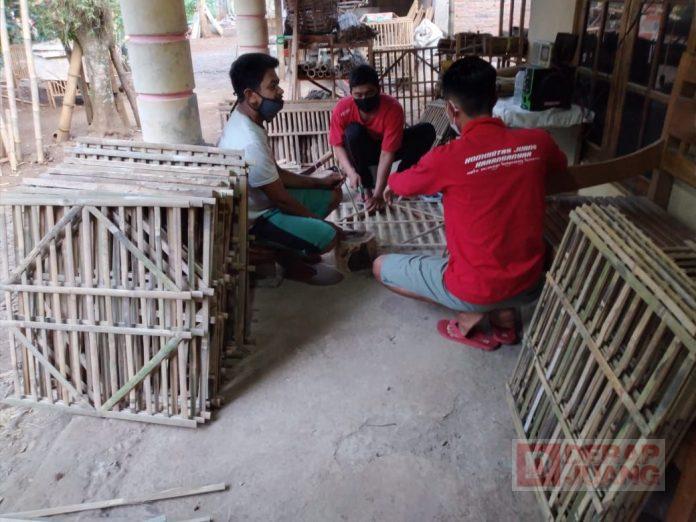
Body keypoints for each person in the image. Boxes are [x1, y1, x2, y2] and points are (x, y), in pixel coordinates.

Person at [372, 57, 568, 351]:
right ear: (495, 97)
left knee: (380, 267)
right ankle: (504, 318)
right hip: (529, 285)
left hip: (473, 289)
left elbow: (401, 184)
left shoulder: (447, 157)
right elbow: (559, 167)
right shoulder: (539, 142)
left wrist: (390, 185)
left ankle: (470, 315)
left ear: (451, 109)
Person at [218, 53, 345, 275]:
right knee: (329, 237)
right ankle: (275, 252)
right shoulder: (249, 141)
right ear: (251, 95)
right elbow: (281, 199)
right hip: (255, 221)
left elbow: (275, 174)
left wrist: (320, 182)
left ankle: (294, 245)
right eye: (273, 86)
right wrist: (320, 223)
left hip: (266, 204)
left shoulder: (245, 119)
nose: (280, 91)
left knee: (332, 193)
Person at [329, 64, 436, 213]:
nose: (364, 98)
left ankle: (398, 182)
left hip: (387, 148)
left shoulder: (392, 107)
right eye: (358, 95)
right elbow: (337, 144)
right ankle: (366, 188)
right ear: (350, 92)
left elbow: (387, 153)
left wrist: (379, 194)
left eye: (369, 93)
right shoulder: (342, 108)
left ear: (379, 89)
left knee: (426, 131)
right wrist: (351, 172)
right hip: (363, 151)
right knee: (353, 132)